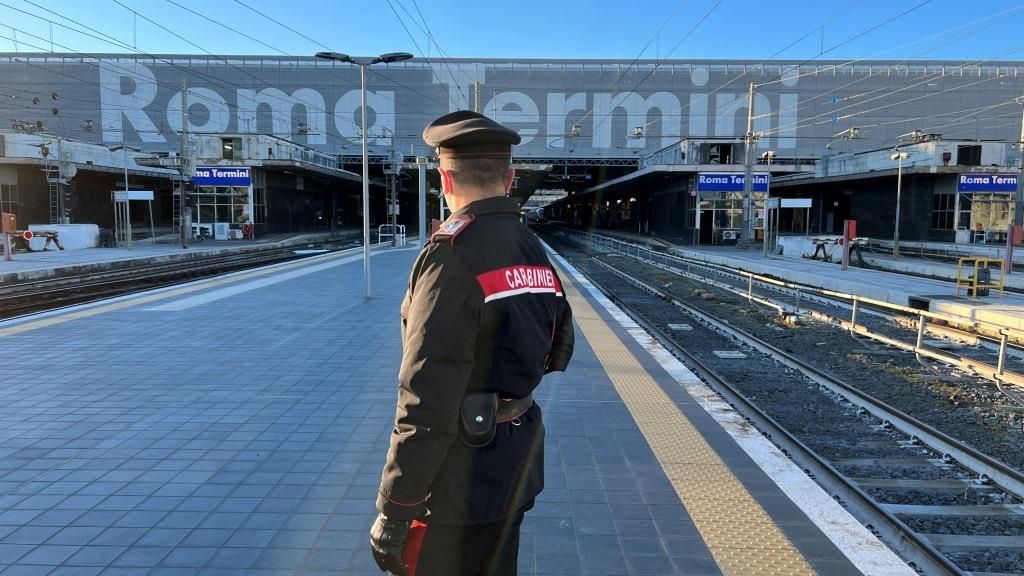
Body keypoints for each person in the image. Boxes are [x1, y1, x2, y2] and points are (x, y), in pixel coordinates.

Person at [370, 110, 575, 576]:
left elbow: (426, 396)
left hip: (458, 479)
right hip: (516, 461)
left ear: (444, 178)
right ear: (509, 177)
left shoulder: (450, 255)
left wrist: (395, 507)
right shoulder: (530, 245)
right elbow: (561, 342)